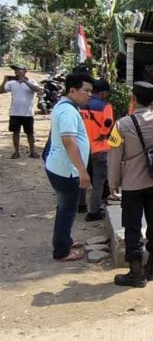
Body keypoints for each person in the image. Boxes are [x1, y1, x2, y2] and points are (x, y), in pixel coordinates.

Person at [108, 68, 153, 287]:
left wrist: (113, 185)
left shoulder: (121, 125)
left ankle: (136, 273)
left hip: (131, 185)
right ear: (152, 100)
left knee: (132, 228)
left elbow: (114, 157)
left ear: (134, 99)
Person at [45, 72, 93, 261]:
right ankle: (62, 251)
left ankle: (64, 240)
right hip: (66, 170)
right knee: (67, 210)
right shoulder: (67, 111)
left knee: (65, 208)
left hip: (61, 166)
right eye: (86, 90)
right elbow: (69, 142)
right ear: (72, 90)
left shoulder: (67, 107)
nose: (89, 94)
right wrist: (82, 170)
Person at [79, 79, 114, 221]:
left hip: (83, 147)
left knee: (83, 177)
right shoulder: (105, 106)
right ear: (103, 93)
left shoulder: (81, 105)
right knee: (98, 181)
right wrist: (102, 135)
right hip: (100, 148)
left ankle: (80, 205)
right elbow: (108, 123)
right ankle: (94, 211)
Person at [0, 65, 43, 158]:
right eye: (15, 71)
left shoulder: (32, 81)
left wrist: (25, 82)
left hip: (28, 113)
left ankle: (32, 151)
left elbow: (38, 89)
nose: (16, 72)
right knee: (15, 132)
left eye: (18, 70)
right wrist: (4, 80)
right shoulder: (12, 83)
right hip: (15, 113)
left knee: (30, 133)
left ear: (25, 71)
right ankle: (17, 152)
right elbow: (1, 91)